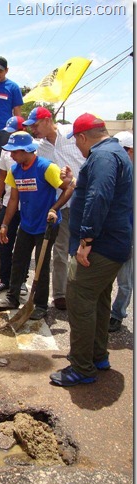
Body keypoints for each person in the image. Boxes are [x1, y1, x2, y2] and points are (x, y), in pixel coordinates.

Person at [50, 114, 133, 387]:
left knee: (80, 297)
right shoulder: (114, 153)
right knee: (98, 299)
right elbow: (95, 189)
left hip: (101, 246)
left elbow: (98, 198)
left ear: (84, 137)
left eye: (78, 143)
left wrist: (86, 241)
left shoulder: (103, 157)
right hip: (113, 244)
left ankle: (82, 368)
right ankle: (98, 355)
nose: (78, 147)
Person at [0, 132, 74, 320]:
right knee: (18, 259)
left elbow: (69, 188)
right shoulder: (15, 170)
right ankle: (12, 297)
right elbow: (13, 199)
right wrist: (4, 224)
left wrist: (54, 208)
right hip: (27, 224)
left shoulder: (46, 167)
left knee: (41, 266)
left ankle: (41, 305)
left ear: (27, 150)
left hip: (47, 225)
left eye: (14, 152)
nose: (11, 156)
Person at [23, 107, 86, 310]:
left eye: (36, 125)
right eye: (31, 126)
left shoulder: (71, 135)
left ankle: (84, 293)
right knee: (60, 252)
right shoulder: (40, 148)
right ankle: (60, 295)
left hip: (84, 201)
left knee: (85, 249)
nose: (34, 129)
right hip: (62, 203)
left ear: (48, 119)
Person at [0, 116, 29, 296]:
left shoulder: (34, 149)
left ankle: (21, 281)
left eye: (14, 131)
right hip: (8, 203)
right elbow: (1, 177)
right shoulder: (6, 153)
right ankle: (5, 279)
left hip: (28, 206)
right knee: (5, 242)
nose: (10, 135)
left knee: (25, 246)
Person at [108, 130, 134, 332]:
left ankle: (117, 314)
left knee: (125, 280)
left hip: (129, 234)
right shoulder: (115, 171)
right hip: (114, 232)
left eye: (123, 150)